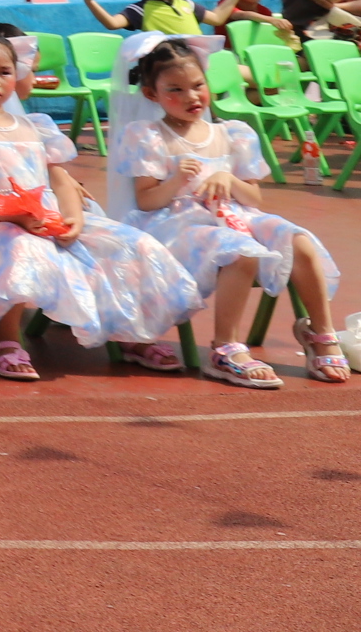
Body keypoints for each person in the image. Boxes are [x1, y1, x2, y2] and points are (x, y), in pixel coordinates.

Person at [0, 24, 202, 381]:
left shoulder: (35, 126)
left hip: (48, 216)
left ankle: (132, 333)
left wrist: (74, 219)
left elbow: (59, 179)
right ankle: (6, 341)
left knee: (133, 245)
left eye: (4, 72)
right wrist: (19, 216)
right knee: (24, 249)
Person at [108, 36, 346, 385]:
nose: (191, 97)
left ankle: (320, 334)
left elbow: (254, 198)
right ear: (151, 95)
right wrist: (175, 181)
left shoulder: (232, 133)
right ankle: (225, 348)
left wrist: (228, 180)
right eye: (175, 90)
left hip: (235, 214)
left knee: (299, 242)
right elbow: (146, 201)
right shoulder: (148, 135)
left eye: (197, 86)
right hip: (176, 223)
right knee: (240, 252)